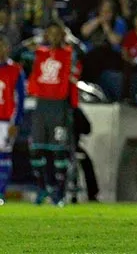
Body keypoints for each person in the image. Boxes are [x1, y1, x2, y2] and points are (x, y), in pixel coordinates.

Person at [28, 21, 79, 205]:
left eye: (58, 34)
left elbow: (82, 54)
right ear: (47, 35)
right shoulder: (39, 53)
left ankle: (60, 191)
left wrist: (72, 39)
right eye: (51, 34)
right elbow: (17, 53)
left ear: (63, 35)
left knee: (59, 152)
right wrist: (34, 41)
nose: (54, 37)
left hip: (59, 106)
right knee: (36, 150)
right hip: (41, 105)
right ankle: (42, 188)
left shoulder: (69, 53)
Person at [0, 36, 26, 205]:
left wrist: (15, 123)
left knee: (4, 156)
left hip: (5, 120)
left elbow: (20, 99)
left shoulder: (15, 70)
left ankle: (1, 192)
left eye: (2, 46)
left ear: (8, 49)